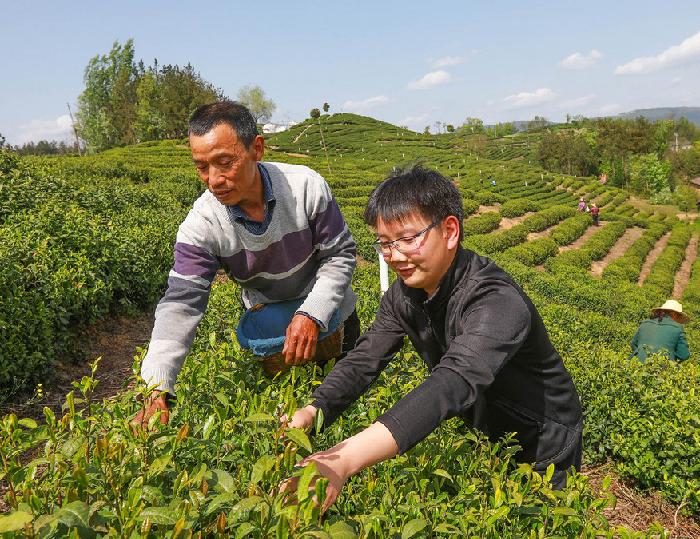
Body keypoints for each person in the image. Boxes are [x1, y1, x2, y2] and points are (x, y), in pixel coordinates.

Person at [281, 166, 583, 511]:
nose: (394, 255)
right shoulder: (403, 296)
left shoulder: (496, 301)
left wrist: (343, 459)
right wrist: (313, 410)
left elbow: (452, 381)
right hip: (487, 427)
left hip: (544, 441)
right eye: (384, 243)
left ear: (450, 231)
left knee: (542, 521)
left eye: (407, 239)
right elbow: (365, 359)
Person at [133, 101, 359, 427]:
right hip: (273, 333)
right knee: (287, 421)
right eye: (201, 167)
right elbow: (180, 304)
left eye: (225, 163)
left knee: (343, 417)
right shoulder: (202, 226)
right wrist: (157, 388)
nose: (213, 179)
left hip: (333, 316)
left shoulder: (305, 187)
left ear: (256, 149)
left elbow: (339, 255)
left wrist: (312, 314)